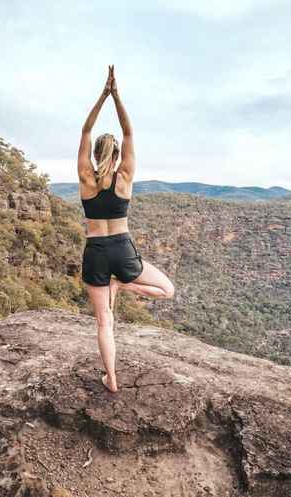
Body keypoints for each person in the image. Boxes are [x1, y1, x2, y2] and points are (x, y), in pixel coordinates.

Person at [78, 65, 175, 393]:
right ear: (118, 153)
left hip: (95, 253)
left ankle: (112, 378)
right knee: (168, 291)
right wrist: (116, 96)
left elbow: (85, 130)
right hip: (122, 249)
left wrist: (101, 97)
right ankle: (123, 284)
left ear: (94, 154)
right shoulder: (125, 177)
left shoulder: (85, 178)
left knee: (105, 323)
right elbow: (130, 133)